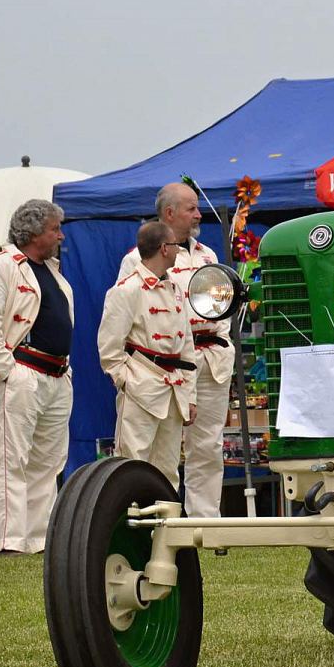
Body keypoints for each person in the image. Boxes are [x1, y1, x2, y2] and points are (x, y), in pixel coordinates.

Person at [0, 199, 74, 557]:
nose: (60, 235)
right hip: (22, 372)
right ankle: (8, 541)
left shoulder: (52, 272)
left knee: (47, 462)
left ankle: (38, 539)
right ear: (35, 232)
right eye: (55, 228)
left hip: (55, 374)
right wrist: (9, 371)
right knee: (12, 460)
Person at [116, 182, 233, 518]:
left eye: (197, 207)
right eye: (191, 208)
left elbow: (222, 306)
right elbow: (127, 313)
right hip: (164, 365)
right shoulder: (136, 260)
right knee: (155, 447)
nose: (199, 214)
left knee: (208, 445)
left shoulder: (207, 256)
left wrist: (222, 344)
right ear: (169, 213)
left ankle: (204, 521)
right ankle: (150, 517)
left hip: (211, 360)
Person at [99, 222, 197, 490]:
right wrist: (127, 382)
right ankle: (128, 527)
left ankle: (166, 528)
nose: (179, 251)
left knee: (168, 469)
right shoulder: (126, 290)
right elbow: (109, 348)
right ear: (165, 249)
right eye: (176, 245)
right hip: (141, 385)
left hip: (174, 389)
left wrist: (190, 395)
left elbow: (186, 345)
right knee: (131, 464)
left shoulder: (175, 289)